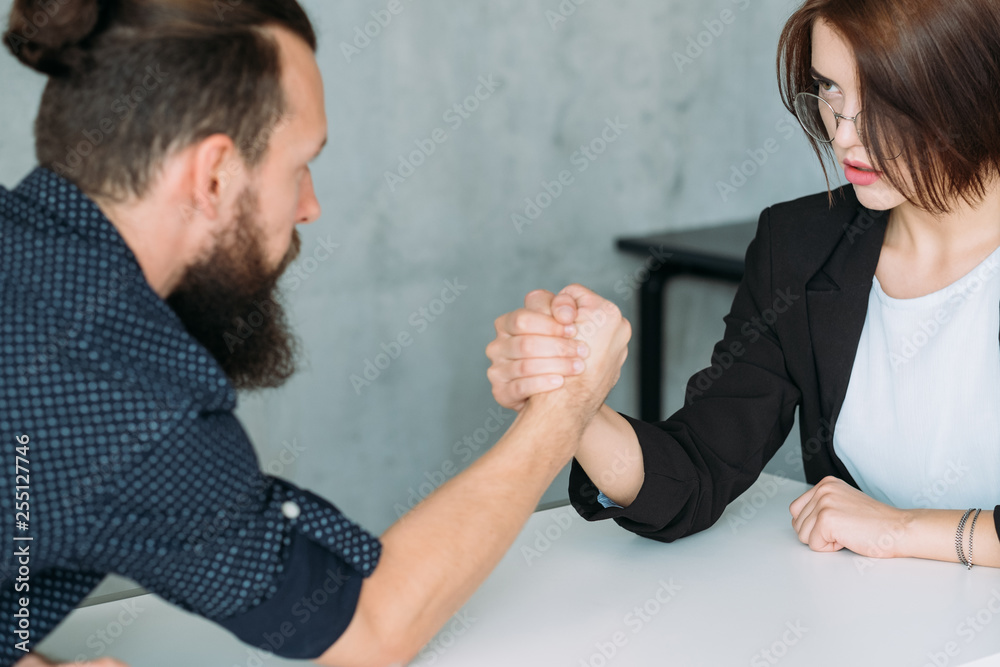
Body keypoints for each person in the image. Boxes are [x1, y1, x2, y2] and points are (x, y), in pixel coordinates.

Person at [0, 2, 631, 666]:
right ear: (213, 176)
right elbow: (368, 626)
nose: (310, 205)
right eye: (299, 164)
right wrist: (564, 410)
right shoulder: (127, 403)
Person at [487, 0, 1000, 568]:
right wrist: (574, 402)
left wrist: (904, 531)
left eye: (882, 100)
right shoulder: (799, 246)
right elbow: (696, 471)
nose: (845, 136)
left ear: (974, 87)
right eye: (831, 90)